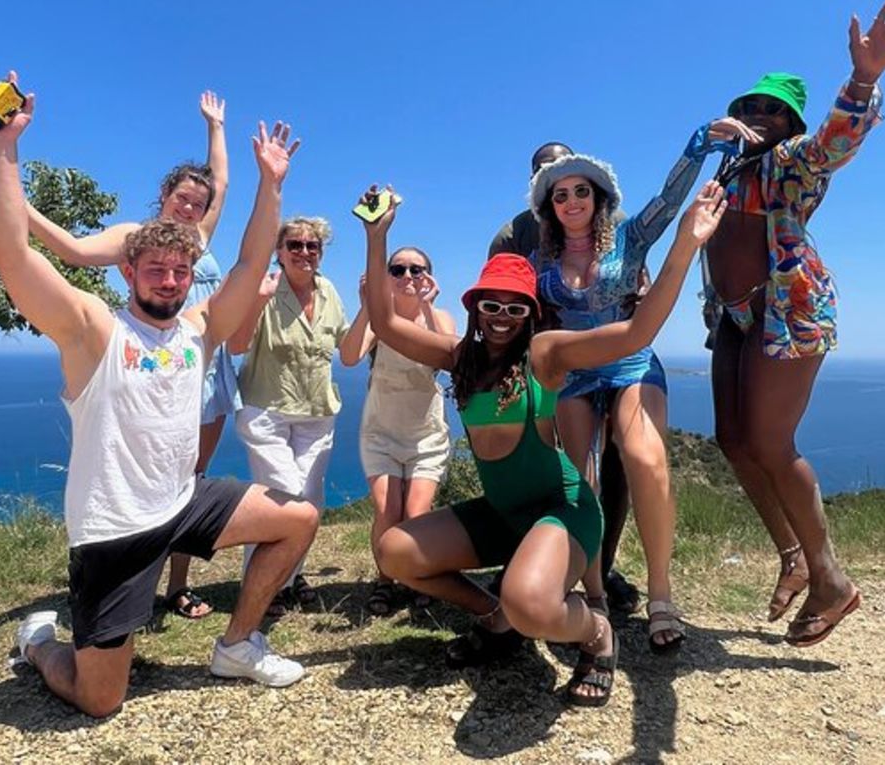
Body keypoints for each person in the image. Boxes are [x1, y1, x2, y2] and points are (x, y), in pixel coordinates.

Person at [0, 60, 317, 716]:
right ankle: (40, 643)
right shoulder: (92, 331)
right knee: (99, 699)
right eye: (155, 268)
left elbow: (251, 262)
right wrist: (1, 151)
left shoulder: (199, 329)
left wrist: (271, 184)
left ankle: (238, 644)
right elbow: (13, 256)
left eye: (180, 270)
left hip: (182, 502)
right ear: (128, 271)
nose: (169, 279)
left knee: (297, 517)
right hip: (113, 533)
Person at [365, 182, 725, 707]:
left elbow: (636, 333)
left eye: (516, 309)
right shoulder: (461, 358)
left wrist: (686, 245)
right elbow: (384, 322)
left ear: (533, 314)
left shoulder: (545, 355)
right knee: (395, 552)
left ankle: (596, 633)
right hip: (503, 514)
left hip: (564, 512)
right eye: (491, 305)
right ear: (475, 308)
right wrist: (377, 236)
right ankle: (496, 617)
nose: (502, 317)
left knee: (532, 604)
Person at [701, 0, 885, 647]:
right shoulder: (730, 171)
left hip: (787, 315)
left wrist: (863, 79)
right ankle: (793, 556)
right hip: (735, 317)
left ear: (790, 123)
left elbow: (833, 143)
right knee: (732, 441)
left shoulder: (790, 162)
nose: (759, 115)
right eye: (750, 106)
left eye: (774, 109)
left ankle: (831, 580)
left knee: (771, 444)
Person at [22, 91, 238, 621]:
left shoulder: (200, 237)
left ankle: (178, 586)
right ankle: (131, 580)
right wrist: (18, 208)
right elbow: (74, 251)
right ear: (165, 194)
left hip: (203, 366)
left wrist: (216, 127)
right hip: (147, 366)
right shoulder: (133, 238)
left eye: (198, 203)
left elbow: (223, 182)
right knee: (145, 482)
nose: (189, 209)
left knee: (192, 480)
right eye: (182, 198)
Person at [528, 128, 740, 652]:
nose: (572, 201)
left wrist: (697, 146)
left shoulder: (629, 237)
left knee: (646, 459)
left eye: (581, 191)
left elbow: (669, 201)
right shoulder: (537, 261)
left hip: (632, 362)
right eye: (561, 194)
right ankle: (593, 593)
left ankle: (661, 595)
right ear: (549, 207)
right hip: (574, 373)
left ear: (599, 197)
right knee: (580, 482)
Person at [490, 142, 641, 614]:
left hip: (608, 360)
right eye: (545, 169)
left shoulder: (612, 222)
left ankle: (602, 565)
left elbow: (637, 282)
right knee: (542, 469)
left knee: (614, 465)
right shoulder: (514, 232)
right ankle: (530, 561)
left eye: (563, 167)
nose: (556, 175)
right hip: (540, 365)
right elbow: (497, 298)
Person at [228, 216, 349, 617]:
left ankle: (290, 576)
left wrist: (376, 308)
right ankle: (264, 584)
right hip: (267, 410)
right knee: (280, 497)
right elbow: (236, 344)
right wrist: (258, 301)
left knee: (309, 500)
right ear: (279, 251)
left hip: (316, 412)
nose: (304, 252)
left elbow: (347, 345)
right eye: (294, 245)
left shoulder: (328, 291)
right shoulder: (265, 288)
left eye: (312, 245)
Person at [339, 241, 456, 615]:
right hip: (381, 433)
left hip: (426, 435)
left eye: (416, 269)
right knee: (387, 510)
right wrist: (367, 306)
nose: (407, 276)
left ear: (429, 277)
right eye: (397, 269)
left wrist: (427, 306)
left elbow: (449, 354)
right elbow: (349, 356)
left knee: (417, 512)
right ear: (385, 277)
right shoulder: (380, 320)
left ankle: (418, 575)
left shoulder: (440, 317)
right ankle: (385, 579)